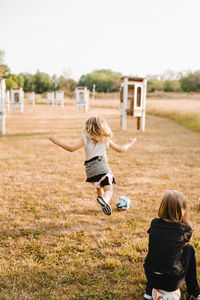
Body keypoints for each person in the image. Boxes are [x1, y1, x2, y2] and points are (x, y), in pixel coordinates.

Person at [49, 115, 136, 216]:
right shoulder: (105, 139)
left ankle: (102, 205)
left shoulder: (85, 138)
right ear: (103, 127)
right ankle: (105, 199)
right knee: (108, 189)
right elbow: (121, 149)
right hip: (101, 167)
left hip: (90, 170)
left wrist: (56, 141)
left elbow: (71, 148)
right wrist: (131, 142)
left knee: (99, 186)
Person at [143, 190, 200, 300]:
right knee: (189, 249)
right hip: (171, 281)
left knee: (158, 251)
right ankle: (194, 292)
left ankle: (149, 291)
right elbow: (183, 246)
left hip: (150, 275)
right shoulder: (185, 230)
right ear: (182, 210)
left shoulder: (154, 223)